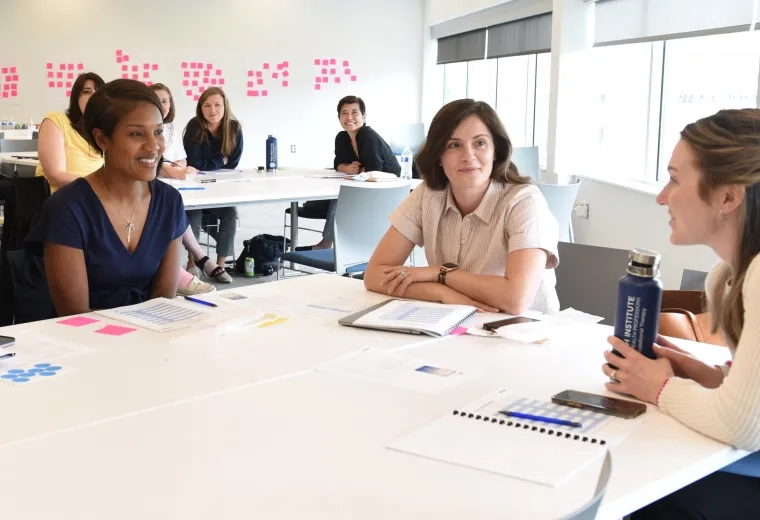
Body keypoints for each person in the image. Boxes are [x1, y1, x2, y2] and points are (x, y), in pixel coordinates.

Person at [600, 109, 760, 519]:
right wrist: (698, 372)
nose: (661, 196)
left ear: (728, 197)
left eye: (674, 178)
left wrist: (659, 387)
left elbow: (743, 426)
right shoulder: (728, 277)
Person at [364, 99, 559, 314]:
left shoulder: (523, 201)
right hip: (459, 322)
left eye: (480, 143)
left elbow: (516, 300)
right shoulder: (427, 195)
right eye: (454, 145)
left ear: (496, 151)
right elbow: (374, 275)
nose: (468, 156)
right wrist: (443, 294)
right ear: (438, 155)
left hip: (528, 332)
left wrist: (441, 274)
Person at [26, 79, 188, 315]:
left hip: (151, 340)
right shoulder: (68, 208)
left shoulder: (169, 202)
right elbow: (76, 315)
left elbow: (163, 302)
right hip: (83, 342)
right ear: (102, 139)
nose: (154, 146)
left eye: (158, 132)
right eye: (136, 133)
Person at [296, 95, 401, 251]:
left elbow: (375, 170)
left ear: (364, 117)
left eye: (354, 112)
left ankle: (328, 244)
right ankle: (333, 245)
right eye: (344, 113)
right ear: (339, 117)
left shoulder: (368, 136)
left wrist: (356, 169)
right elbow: (337, 163)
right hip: (366, 185)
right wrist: (347, 168)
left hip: (386, 190)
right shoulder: (342, 137)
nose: (349, 117)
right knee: (335, 197)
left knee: (341, 198)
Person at [150, 83, 231, 284]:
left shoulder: (170, 128)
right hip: (157, 183)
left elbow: (184, 158)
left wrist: (180, 165)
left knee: (227, 210)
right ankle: (193, 263)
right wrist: (176, 171)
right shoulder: (144, 126)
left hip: (176, 180)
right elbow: (154, 161)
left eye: (165, 101)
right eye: (156, 100)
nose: (162, 105)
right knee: (183, 208)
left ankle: (208, 261)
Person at [183, 87, 242, 270]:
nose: (213, 110)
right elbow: (195, 162)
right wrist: (221, 159)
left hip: (220, 188)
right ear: (201, 108)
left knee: (230, 214)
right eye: (207, 105)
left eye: (217, 105)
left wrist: (216, 162)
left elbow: (233, 163)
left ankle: (219, 265)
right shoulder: (194, 127)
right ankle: (192, 263)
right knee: (195, 213)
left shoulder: (234, 128)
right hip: (196, 188)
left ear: (225, 106)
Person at [36, 72, 105, 192]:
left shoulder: (102, 132)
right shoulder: (56, 120)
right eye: (87, 91)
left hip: (94, 197)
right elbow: (55, 176)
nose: (93, 96)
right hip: (60, 198)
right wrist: (101, 185)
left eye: (98, 92)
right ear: (76, 97)